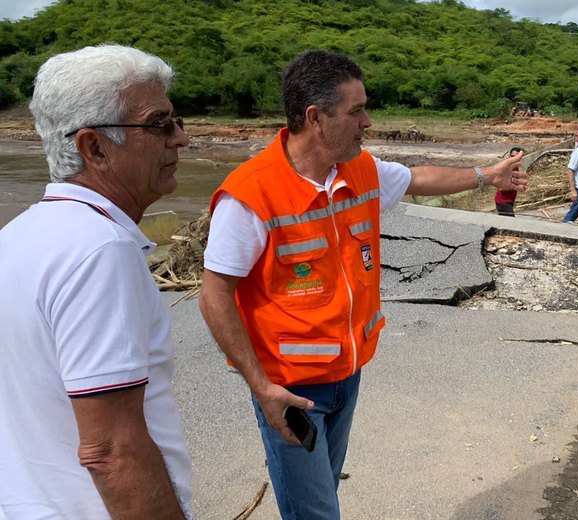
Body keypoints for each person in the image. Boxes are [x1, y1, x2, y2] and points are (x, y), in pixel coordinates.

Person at [198, 49, 527, 519]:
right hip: (290, 390)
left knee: (324, 493)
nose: (368, 121)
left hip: (346, 376)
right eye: (356, 111)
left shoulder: (359, 169)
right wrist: (261, 387)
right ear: (316, 118)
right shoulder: (251, 195)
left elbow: (419, 178)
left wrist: (485, 175)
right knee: (316, 513)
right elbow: (214, 298)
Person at [0, 45, 192, 518]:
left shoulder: (19, 234)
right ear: (95, 148)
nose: (181, 138)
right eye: (159, 123)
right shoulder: (100, 251)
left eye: (176, 120)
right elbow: (112, 451)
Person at [494, 146, 526, 216]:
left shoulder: (515, 167)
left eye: (517, 157)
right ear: (509, 156)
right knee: (510, 223)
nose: (514, 159)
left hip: (508, 201)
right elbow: (501, 188)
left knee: (503, 223)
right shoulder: (506, 168)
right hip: (503, 202)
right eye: (512, 156)